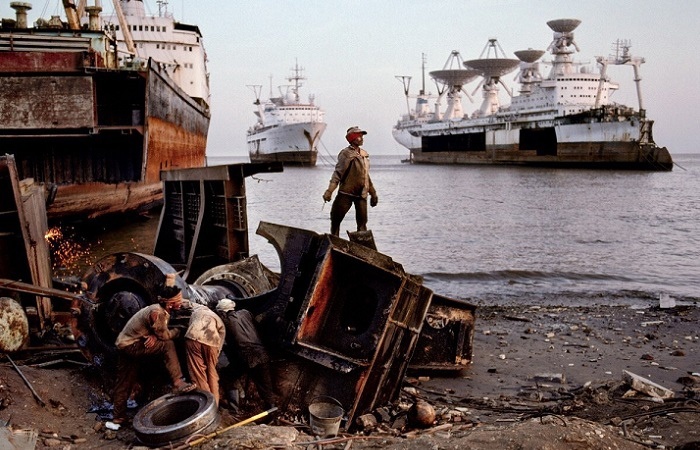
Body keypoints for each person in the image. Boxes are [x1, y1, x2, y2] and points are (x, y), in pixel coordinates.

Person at [111, 275, 196, 424]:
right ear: (169, 304)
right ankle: (178, 381)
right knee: (168, 345)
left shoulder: (156, 309)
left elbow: (157, 332)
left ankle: (119, 416)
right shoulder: (159, 314)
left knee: (124, 381)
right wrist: (180, 330)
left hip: (124, 344)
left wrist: (153, 335)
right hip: (132, 345)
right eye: (178, 301)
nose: (180, 303)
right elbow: (166, 336)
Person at [215, 299, 277, 409]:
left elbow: (231, 345)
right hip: (262, 353)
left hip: (247, 356)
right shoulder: (245, 312)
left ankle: (234, 407)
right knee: (265, 386)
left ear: (222, 312)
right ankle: (272, 412)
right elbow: (257, 328)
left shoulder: (226, 321)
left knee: (227, 376)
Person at [323, 126, 378, 236]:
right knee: (336, 220)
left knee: (362, 224)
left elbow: (366, 176)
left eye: (362, 136)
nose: (362, 138)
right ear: (352, 138)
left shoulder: (363, 154)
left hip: (361, 194)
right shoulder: (346, 154)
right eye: (359, 136)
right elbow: (337, 174)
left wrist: (373, 193)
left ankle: (362, 247)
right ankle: (334, 241)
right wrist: (329, 191)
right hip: (346, 193)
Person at [184, 302, 226, 405]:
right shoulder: (217, 318)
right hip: (212, 342)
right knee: (212, 374)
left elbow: (187, 303)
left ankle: (205, 405)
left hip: (193, 337)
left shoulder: (198, 309)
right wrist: (216, 354)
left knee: (198, 374)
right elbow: (221, 336)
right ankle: (214, 406)